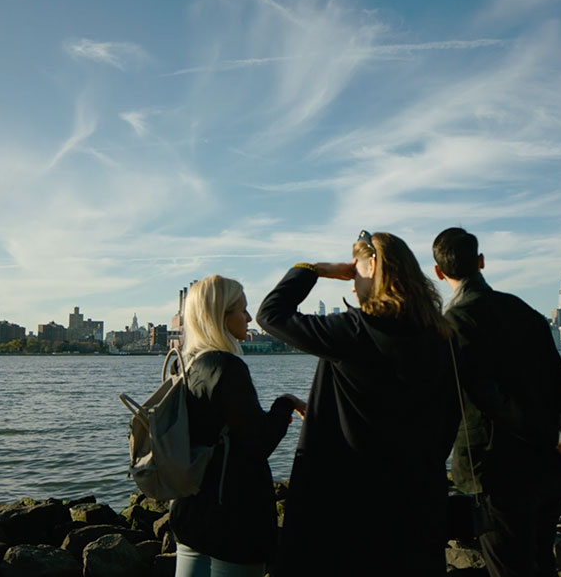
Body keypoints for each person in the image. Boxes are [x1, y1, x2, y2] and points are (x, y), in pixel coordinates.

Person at [257, 231, 459, 576]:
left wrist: (315, 269)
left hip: (347, 501)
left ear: (374, 266)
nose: (352, 285)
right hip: (415, 499)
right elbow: (448, 416)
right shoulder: (440, 336)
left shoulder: (354, 331)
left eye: (355, 272)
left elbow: (271, 314)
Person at [431, 227, 561, 577]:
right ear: (481, 261)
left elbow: (488, 399)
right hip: (548, 467)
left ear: (439, 272)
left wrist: (550, 435)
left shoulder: (453, 323)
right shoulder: (524, 311)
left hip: (497, 474)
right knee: (542, 562)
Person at [169, 274, 307, 577]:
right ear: (221, 315)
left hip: (190, 509)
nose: (249, 318)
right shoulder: (227, 367)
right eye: (242, 310)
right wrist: (285, 404)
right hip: (234, 518)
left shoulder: (185, 365)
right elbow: (259, 443)